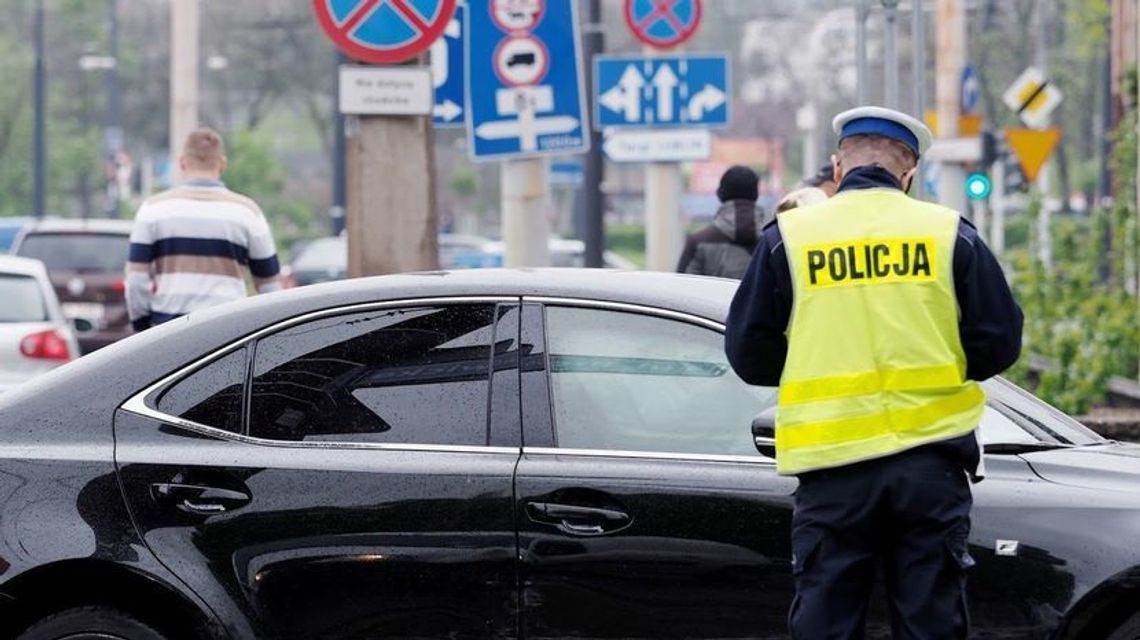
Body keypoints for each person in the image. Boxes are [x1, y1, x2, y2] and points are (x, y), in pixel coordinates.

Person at [725, 106, 1023, 639]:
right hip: (930, 468)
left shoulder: (788, 237)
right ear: (909, 174)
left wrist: (812, 355)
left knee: (827, 623)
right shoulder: (949, 233)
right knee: (931, 622)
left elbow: (747, 353)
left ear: (839, 168)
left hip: (833, 471)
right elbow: (1000, 342)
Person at [126, 128, 282, 331]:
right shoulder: (248, 212)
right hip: (228, 337)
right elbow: (270, 288)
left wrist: (143, 328)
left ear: (182, 162)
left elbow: (136, 281)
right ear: (222, 164)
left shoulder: (153, 210)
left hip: (167, 333)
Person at [676, 165, 765, 279]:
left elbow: (683, 289)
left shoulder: (698, 242)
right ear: (756, 195)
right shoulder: (774, 242)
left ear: (720, 194)